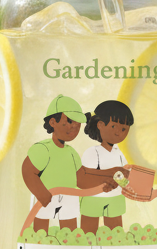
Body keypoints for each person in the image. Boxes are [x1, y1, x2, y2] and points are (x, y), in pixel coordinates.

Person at [76, 99, 157, 235]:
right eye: (114, 126)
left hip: (115, 199)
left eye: (124, 129)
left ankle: (154, 193)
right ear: (100, 125)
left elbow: (123, 177)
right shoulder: (92, 152)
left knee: (115, 235)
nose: (119, 132)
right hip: (93, 198)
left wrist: (128, 184)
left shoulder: (119, 154)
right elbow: (86, 178)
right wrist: (108, 179)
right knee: (88, 234)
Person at [20, 94, 109, 235]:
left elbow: (82, 178)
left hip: (69, 197)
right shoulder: (43, 149)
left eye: (78, 123)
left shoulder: (72, 153)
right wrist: (41, 193)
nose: (74, 126)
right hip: (46, 195)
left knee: (70, 230)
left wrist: (104, 182)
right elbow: (28, 170)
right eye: (69, 121)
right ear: (52, 122)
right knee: (41, 229)